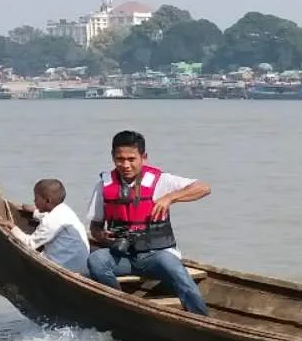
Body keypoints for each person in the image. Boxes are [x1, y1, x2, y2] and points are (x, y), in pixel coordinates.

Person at [83, 129, 211, 315]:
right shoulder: (104, 185)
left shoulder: (161, 181)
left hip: (157, 256)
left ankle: (200, 317)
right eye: (120, 159)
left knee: (175, 268)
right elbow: (95, 226)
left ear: (144, 157)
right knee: (96, 260)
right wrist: (101, 235)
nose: (125, 165)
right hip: (123, 256)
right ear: (113, 157)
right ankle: (122, 307)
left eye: (131, 159)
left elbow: (204, 188)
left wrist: (170, 197)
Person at [8, 178, 90, 274]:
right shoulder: (65, 210)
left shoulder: (50, 220)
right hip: (82, 266)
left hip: (67, 268)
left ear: (47, 201)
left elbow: (29, 244)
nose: (34, 201)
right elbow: (49, 217)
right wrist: (35, 211)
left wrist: (12, 227)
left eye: (36, 198)